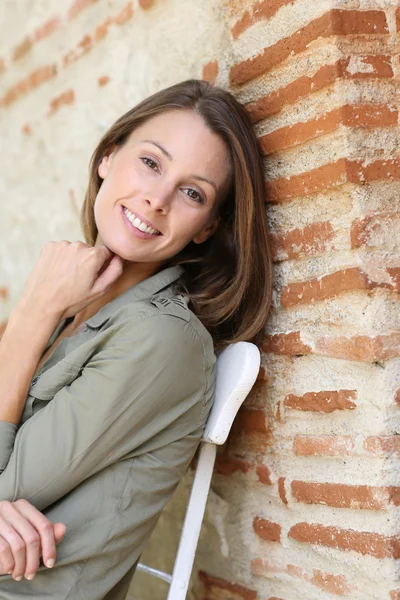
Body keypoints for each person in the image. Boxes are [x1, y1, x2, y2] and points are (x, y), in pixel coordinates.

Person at [0, 79, 272, 599]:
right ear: (107, 155)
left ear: (207, 227)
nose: (157, 198)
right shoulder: (74, 303)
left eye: (192, 193)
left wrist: (28, 317)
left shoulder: (160, 339)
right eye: (151, 162)